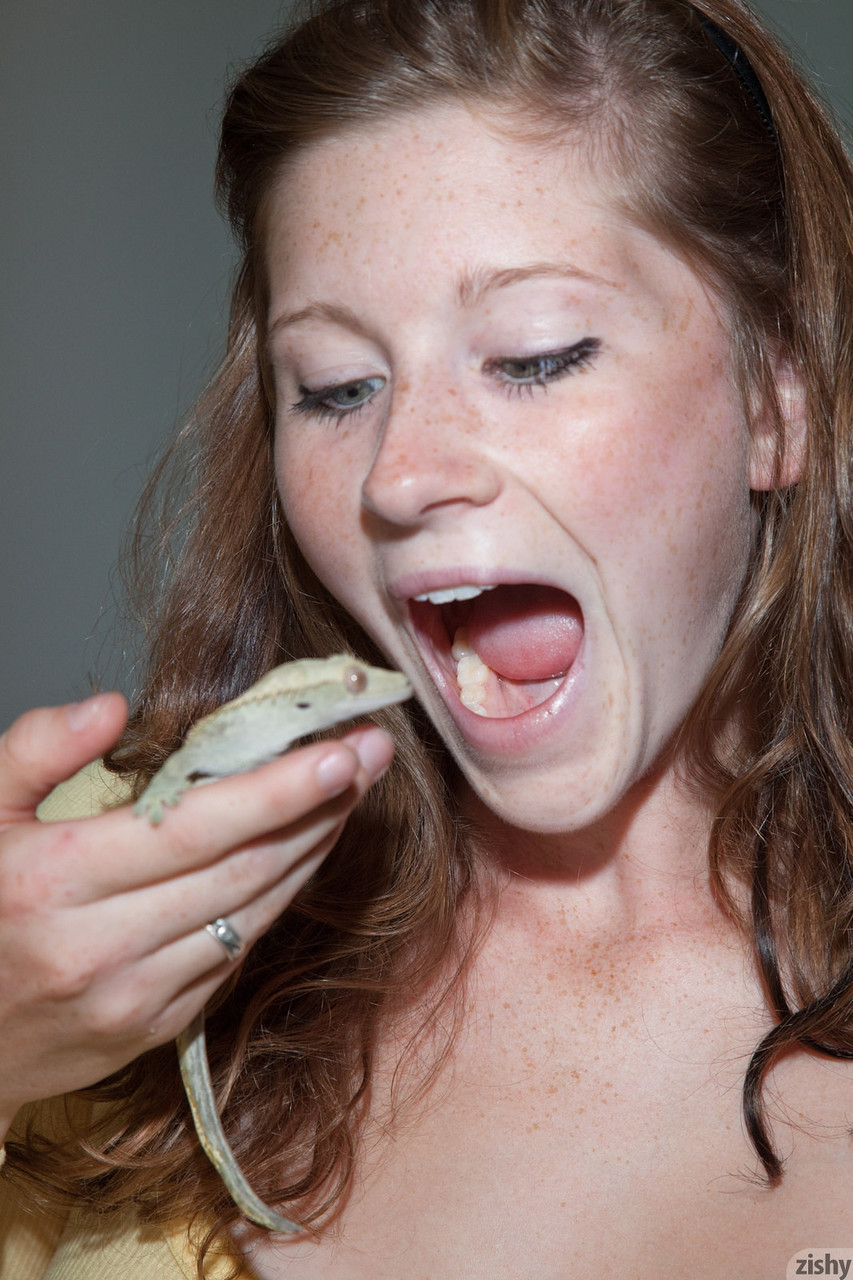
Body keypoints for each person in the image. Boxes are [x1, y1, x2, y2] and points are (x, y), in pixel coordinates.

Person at [2, 0, 852, 1275]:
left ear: (775, 398)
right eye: (336, 387)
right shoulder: (88, 902)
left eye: (534, 355)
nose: (398, 474)